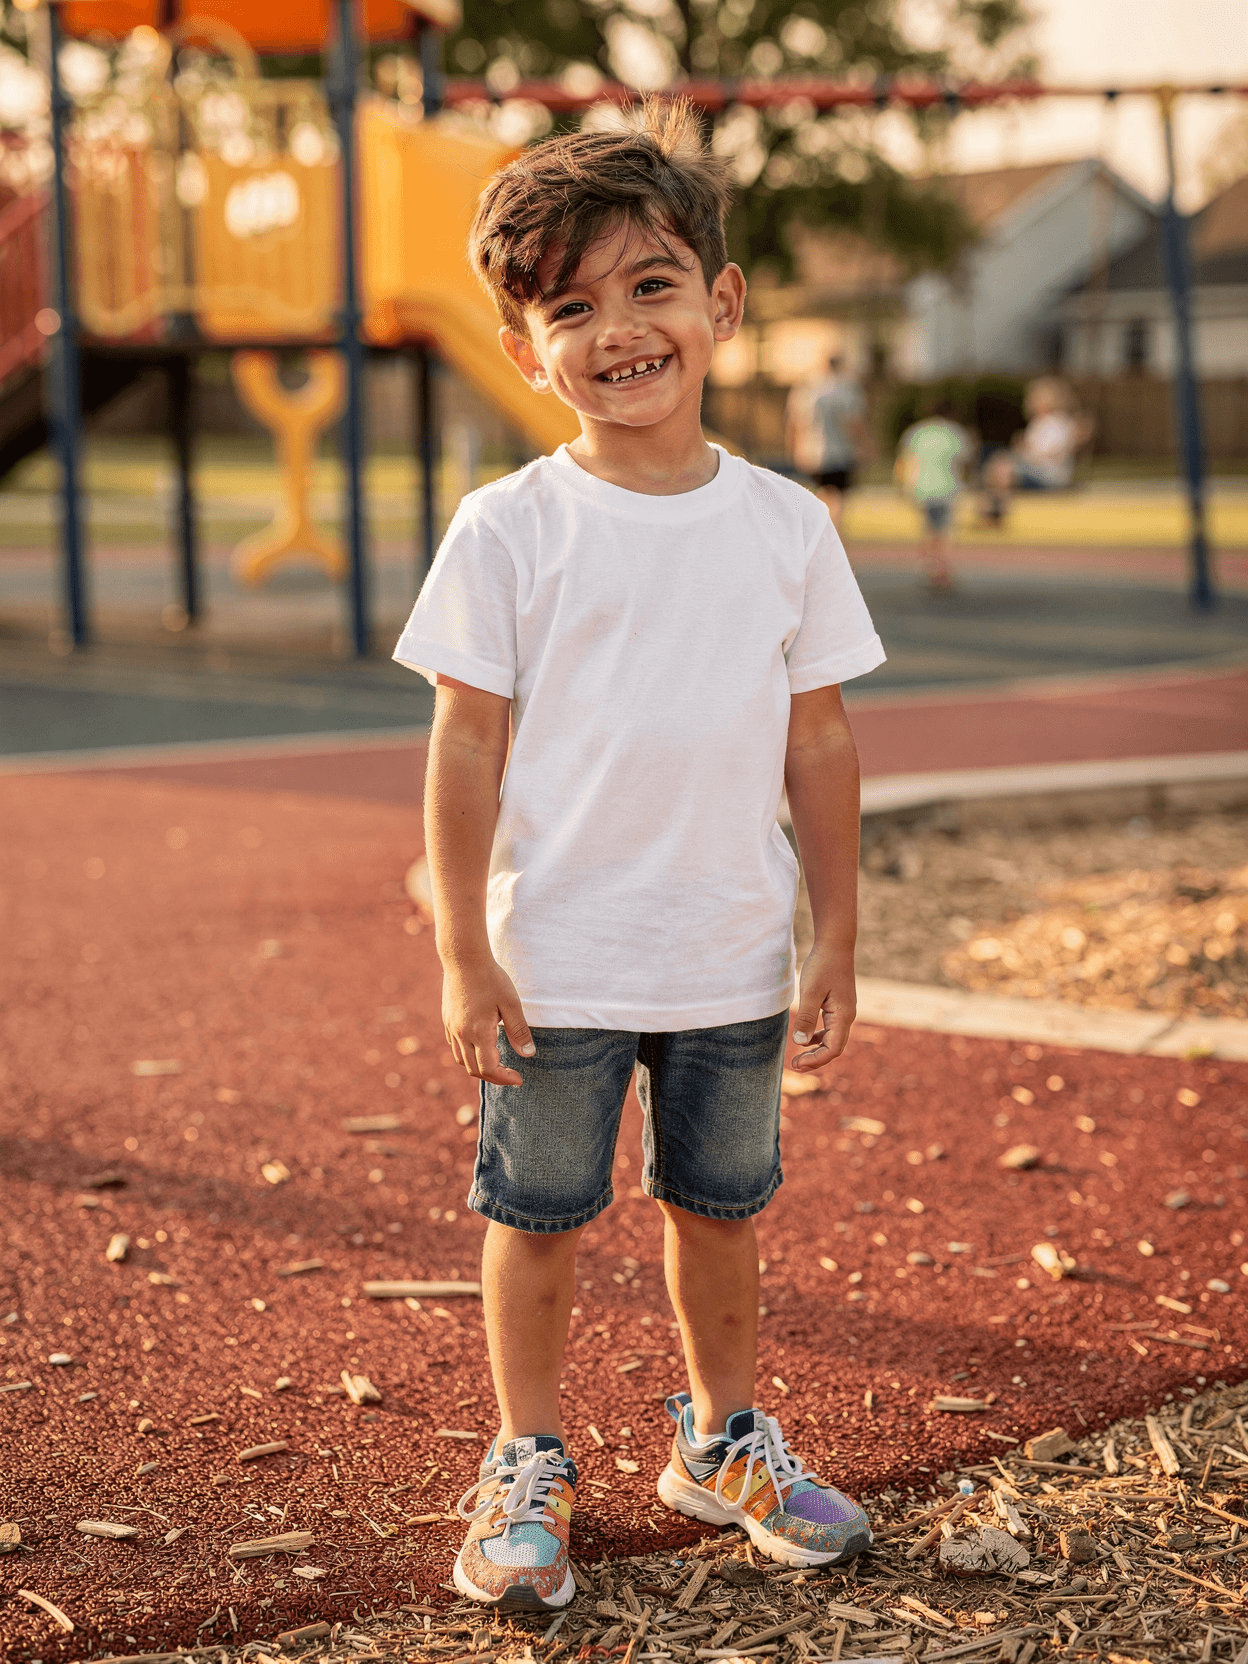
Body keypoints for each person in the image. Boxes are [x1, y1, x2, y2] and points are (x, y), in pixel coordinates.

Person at [392, 98, 884, 1613]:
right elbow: (464, 745)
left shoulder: (789, 524)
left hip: (730, 953)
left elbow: (820, 748)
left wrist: (839, 937)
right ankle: (528, 1456)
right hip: (558, 966)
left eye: (651, 285)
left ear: (722, 305)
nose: (618, 329)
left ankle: (719, 1440)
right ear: (527, 347)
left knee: (719, 1215)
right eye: (570, 307)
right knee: (534, 1222)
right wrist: (465, 951)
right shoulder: (509, 527)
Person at [981, 377, 1093, 524]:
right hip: (1036, 472)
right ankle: (994, 507)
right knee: (1000, 465)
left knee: (1004, 469)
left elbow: (1044, 453)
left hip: (1049, 477)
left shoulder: (1056, 422)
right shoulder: (1040, 424)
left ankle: (996, 512)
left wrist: (1024, 450)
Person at [895, 398, 974, 591]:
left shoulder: (918, 432)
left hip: (921, 487)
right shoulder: (955, 433)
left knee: (928, 529)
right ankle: (943, 569)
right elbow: (965, 460)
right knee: (944, 531)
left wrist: (903, 484)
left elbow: (906, 460)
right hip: (947, 487)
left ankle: (929, 566)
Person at [785, 353, 867, 531]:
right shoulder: (846, 388)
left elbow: (795, 422)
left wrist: (793, 448)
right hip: (841, 451)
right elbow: (853, 423)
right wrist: (864, 446)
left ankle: (822, 530)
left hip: (812, 451)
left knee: (822, 493)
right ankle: (831, 532)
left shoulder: (807, 388)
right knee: (838, 498)